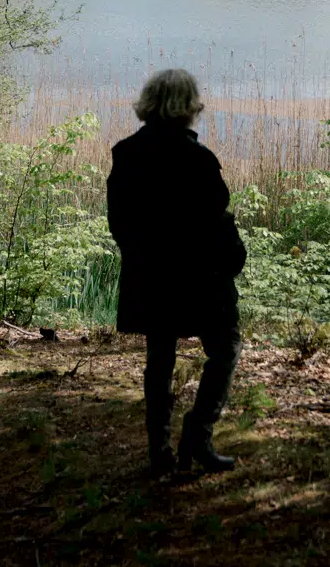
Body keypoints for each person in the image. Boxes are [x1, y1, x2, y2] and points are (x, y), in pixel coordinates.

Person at [107, 68, 245, 476]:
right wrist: (232, 260)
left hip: (150, 277)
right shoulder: (197, 160)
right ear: (189, 107)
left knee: (160, 358)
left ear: (149, 103)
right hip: (200, 281)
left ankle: (159, 451)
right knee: (226, 347)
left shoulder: (125, 153)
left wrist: (142, 259)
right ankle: (197, 437)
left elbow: (120, 224)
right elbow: (217, 222)